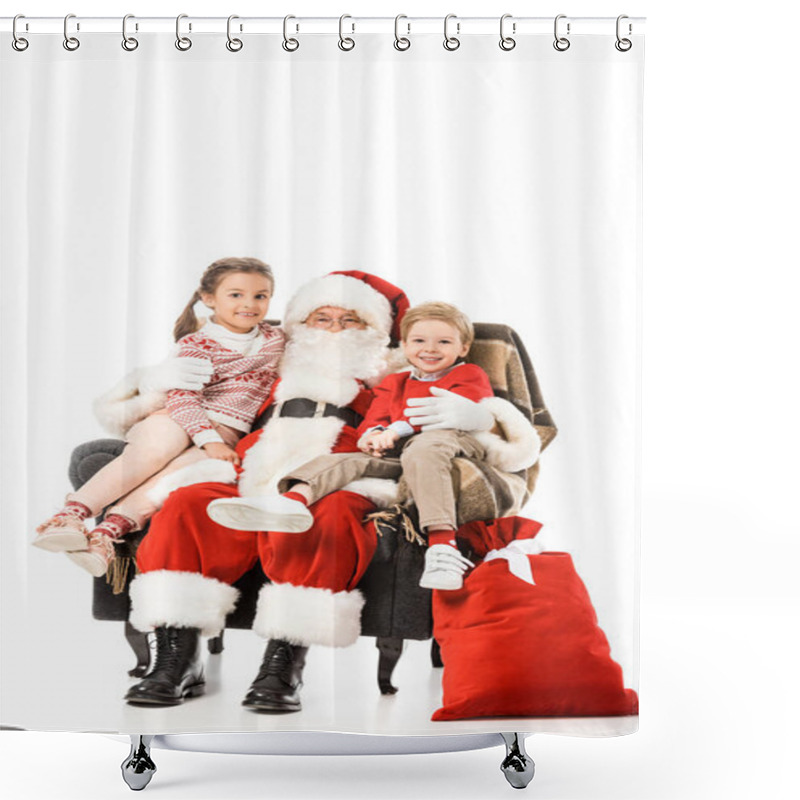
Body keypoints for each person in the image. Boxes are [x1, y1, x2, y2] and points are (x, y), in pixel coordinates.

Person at [122, 271, 541, 712]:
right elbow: (179, 395)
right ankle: (176, 657)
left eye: (352, 319)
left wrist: (481, 416)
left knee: (332, 514)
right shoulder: (268, 356)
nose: (335, 328)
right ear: (300, 324)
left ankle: (283, 661)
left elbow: (482, 408)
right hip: (252, 463)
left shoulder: (399, 365)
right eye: (322, 318)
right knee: (189, 504)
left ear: (378, 332)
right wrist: (154, 378)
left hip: (345, 470)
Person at [213, 302, 495, 592]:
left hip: (446, 444)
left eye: (444, 342)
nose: (430, 349)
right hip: (402, 455)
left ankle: (442, 546)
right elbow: (376, 416)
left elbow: (440, 411)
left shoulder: (468, 374)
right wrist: (372, 435)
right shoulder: (395, 382)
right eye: (419, 341)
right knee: (345, 460)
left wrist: (395, 430)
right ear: (406, 345)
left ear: (463, 348)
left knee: (425, 449)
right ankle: (291, 502)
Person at [32, 256, 284, 577]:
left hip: (227, 432)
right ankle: (69, 516)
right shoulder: (197, 343)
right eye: (236, 294)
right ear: (208, 299)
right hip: (178, 416)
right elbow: (183, 398)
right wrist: (207, 439)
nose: (249, 303)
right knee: (156, 449)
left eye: (260, 296)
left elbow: (317, 325)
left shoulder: (276, 339)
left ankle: (104, 536)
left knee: (178, 478)